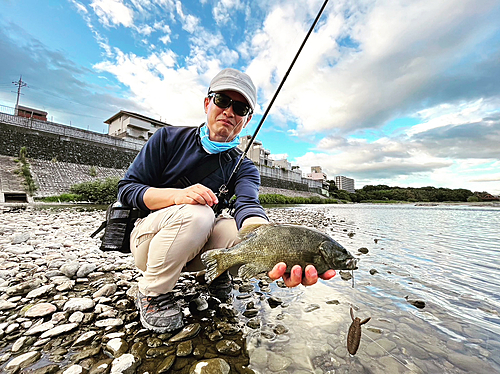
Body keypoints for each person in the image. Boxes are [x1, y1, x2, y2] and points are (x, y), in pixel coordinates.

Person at [117, 68, 336, 333]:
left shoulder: (244, 166)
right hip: (149, 243)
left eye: (241, 108)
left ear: (247, 119)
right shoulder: (167, 139)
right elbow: (128, 189)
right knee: (199, 213)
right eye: (222, 101)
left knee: (241, 233)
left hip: (197, 239)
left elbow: (248, 205)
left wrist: (273, 244)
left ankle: (213, 273)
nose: (229, 112)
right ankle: (153, 292)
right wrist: (177, 196)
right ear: (207, 103)